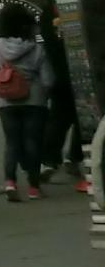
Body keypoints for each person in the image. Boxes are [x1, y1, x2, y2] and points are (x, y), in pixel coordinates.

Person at [0, 3, 50, 201]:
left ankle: (10, 182)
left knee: (12, 142)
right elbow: (48, 79)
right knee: (32, 141)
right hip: (34, 100)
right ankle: (33, 187)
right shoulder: (37, 48)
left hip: (6, 101)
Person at [38, 23, 90, 191]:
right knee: (82, 120)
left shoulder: (49, 24)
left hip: (60, 82)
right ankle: (73, 157)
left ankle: (51, 161)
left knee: (58, 122)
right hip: (81, 76)